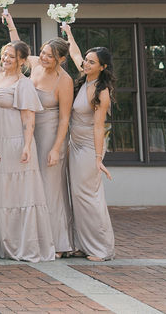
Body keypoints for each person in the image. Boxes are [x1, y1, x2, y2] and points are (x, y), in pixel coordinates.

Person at [0, 17, 55, 262]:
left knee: (16, 193)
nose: (5, 59)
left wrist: (27, 145)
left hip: (15, 141)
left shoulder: (23, 84)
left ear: (21, 61)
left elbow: (29, 119)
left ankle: (18, 243)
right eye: (4, 54)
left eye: (11, 56)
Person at [7, 11, 76, 257]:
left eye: (50, 56)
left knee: (50, 188)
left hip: (49, 133)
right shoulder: (35, 64)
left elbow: (65, 118)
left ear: (62, 59)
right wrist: (11, 22)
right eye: (44, 53)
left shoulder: (64, 81)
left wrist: (57, 148)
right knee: (30, 184)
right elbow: (18, 49)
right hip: (28, 130)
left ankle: (57, 242)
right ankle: (33, 238)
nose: (44, 58)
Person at [63, 26, 116, 261]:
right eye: (86, 60)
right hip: (74, 144)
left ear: (102, 67)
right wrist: (69, 33)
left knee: (88, 196)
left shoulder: (101, 91)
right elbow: (74, 53)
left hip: (89, 147)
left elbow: (98, 127)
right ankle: (83, 244)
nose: (85, 64)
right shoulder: (84, 80)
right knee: (77, 195)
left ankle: (102, 249)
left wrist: (98, 158)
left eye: (92, 62)